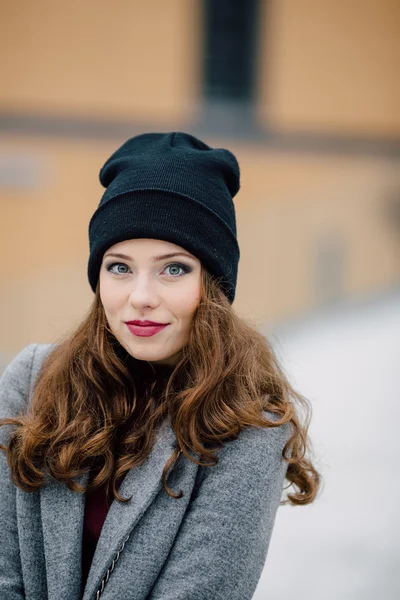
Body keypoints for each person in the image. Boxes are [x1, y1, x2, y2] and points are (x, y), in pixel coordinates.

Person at [0, 132, 321, 600]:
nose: (141, 297)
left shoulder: (250, 424)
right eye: (119, 266)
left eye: (173, 268)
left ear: (212, 285)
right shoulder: (32, 380)